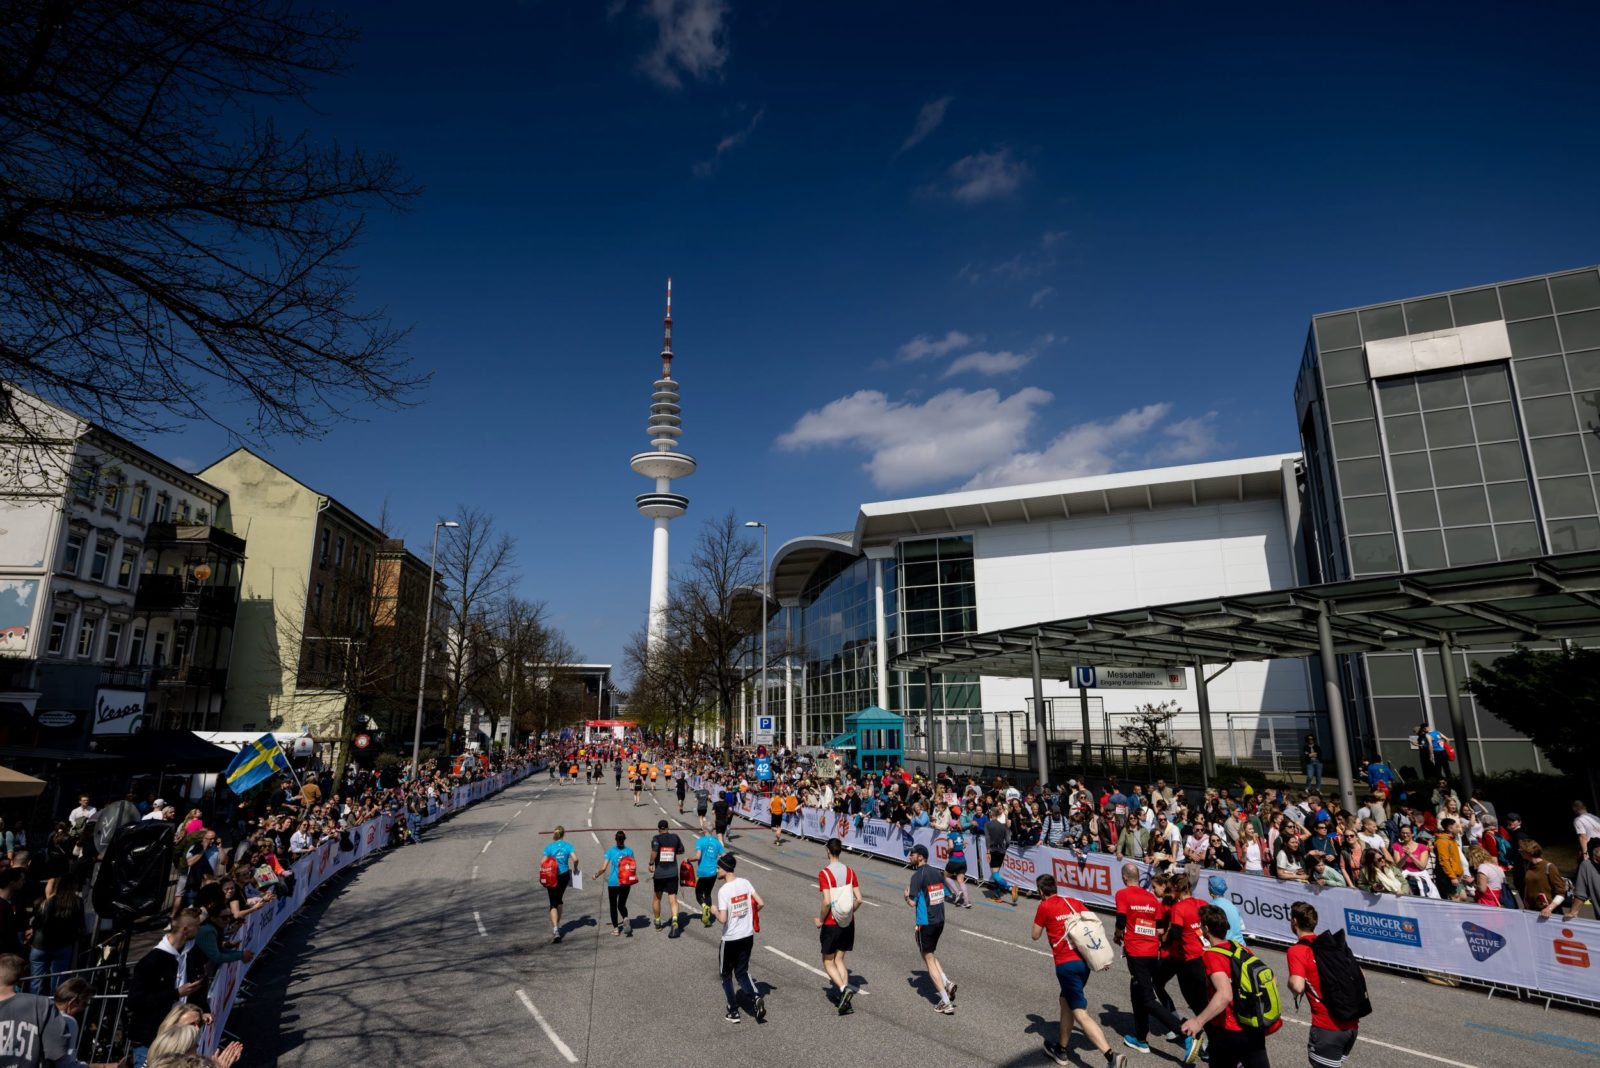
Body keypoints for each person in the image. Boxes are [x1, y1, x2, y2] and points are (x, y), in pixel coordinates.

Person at [1032, 873, 1129, 1068]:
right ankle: (1061, 1050)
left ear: (1041, 892)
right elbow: (1091, 926)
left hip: (1066, 966)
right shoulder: (1072, 902)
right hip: (1083, 963)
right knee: (1065, 1001)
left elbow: (1035, 935)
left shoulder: (1044, 906)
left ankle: (1112, 1057)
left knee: (1080, 1013)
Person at [1181, 904, 1276, 1068]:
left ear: (1206, 929)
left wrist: (1198, 1021)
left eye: (1201, 925)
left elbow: (1224, 994)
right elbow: (1269, 979)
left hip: (1228, 1029)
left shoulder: (1212, 955)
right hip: (1252, 1025)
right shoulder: (1240, 948)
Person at [1115, 863, 1186, 1054]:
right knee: (1136, 990)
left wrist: (1117, 934)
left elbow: (1121, 921)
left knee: (1147, 998)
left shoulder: (1123, 894)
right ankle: (1141, 1039)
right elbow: (1160, 929)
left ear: (1124, 877)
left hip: (1136, 951)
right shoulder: (1151, 898)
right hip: (1152, 951)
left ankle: (1184, 1032)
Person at [126, 912, 208, 1068]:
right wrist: (176, 993)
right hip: (150, 1040)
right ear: (185, 929)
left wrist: (204, 1010)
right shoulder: (150, 962)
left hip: (178, 1041)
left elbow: (198, 988)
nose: (200, 929)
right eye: (197, 926)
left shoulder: (192, 953)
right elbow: (134, 1001)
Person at [1285, 901, 1360, 1068]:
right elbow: (1359, 973)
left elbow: (1297, 986)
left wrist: (1289, 981)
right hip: (1351, 1026)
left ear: (1294, 921)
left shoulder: (1297, 951)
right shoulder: (1332, 943)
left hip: (1327, 1028)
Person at [712, 855, 766, 1024]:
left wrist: (714, 911)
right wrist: (747, 914)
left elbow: (723, 919)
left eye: (718, 867)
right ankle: (755, 997)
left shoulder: (724, 891)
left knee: (726, 975)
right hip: (747, 935)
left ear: (725, 868)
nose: (716, 870)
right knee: (742, 971)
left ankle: (733, 1011)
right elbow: (761, 903)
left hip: (730, 939)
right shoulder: (745, 882)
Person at [904, 843, 956, 1014]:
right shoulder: (936, 872)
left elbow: (912, 902)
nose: (910, 857)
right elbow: (947, 894)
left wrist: (906, 896)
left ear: (920, 857)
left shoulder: (917, 876)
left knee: (927, 959)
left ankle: (945, 1001)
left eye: (912, 854)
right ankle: (946, 982)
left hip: (925, 922)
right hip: (940, 920)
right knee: (930, 954)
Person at [817, 837, 862, 1014]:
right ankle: (845, 1000)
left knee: (828, 961)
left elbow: (827, 901)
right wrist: (850, 911)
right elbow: (859, 899)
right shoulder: (850, 871)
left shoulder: (825, 873)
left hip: (831, 922)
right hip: (848, 922)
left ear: (828, 851)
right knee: (839, 960)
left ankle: (844, 989)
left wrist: (820, 920)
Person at [27, 874, 83, 995]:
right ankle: (56, 1004)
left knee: (36, 981)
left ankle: (34, 1004)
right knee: (58, 982)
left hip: (40, 945)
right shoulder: (77, 902)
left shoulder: (47, 901)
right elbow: (80, 925)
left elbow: (37, 923)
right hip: (62, 945)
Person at [542, 825, 578, 943]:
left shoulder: (549, 847)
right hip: (564, 875)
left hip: (552, 876)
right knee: (559, 899)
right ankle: (557, 924)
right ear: (564, 834)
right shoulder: (568, 846)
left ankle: (556, 930)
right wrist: (575, 868)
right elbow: (575, 859)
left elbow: (542, 862)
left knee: (553, 903)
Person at [648, 819, 684, 937]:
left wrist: (651, 863)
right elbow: (681, 850)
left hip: (660, 874)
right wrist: (671, 851)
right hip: (672, 873)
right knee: (673, 899)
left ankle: (658, 922)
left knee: (657, 898)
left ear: (659, 829)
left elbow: (654, 851)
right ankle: (675, 921)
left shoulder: (656, 838)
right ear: (668, 828)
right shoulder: (675, 837)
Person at [599, 830, 635, 937]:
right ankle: (625, 918)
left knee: (613, 906)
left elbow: (603, 868)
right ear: (624, 839)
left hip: (613, 882)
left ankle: (616, 929)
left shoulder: (610, 851)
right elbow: (633, 867)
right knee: (622, 904)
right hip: (625, 883)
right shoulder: (629, 851)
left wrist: (596, 875)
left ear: (616, 839)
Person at [691, 827, 726, 927]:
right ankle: (707, 918)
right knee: (708, 893)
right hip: (713, 873)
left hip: (702, 872)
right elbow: (724, 855)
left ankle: (704, 907)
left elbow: (698, 857)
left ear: (704, 831)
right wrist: (718, 862)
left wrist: (688, 860)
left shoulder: (700, 841)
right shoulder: (717, 842)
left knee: (698, 894)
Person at [1206, 876, 1245, 945]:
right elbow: (1242, 927)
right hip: (1241, 945)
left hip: (1226, 946)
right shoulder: (1232, 905)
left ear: (1210, 890)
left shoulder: (1211, 907)